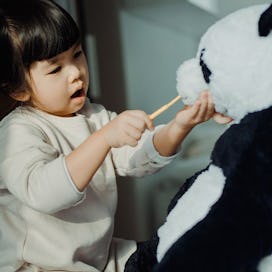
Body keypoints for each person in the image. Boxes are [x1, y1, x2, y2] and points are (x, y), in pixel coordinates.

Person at [0, 0, 216, 271]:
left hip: (100, 258)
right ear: (18, 90)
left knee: (176, 254)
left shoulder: (94, 116)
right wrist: (103, 139)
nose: (75, 73)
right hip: (38, 266)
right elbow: (43, 193)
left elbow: (140, 156)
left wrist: (180, 126)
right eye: (56, 69)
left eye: (77, 54)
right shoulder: (17, 132)